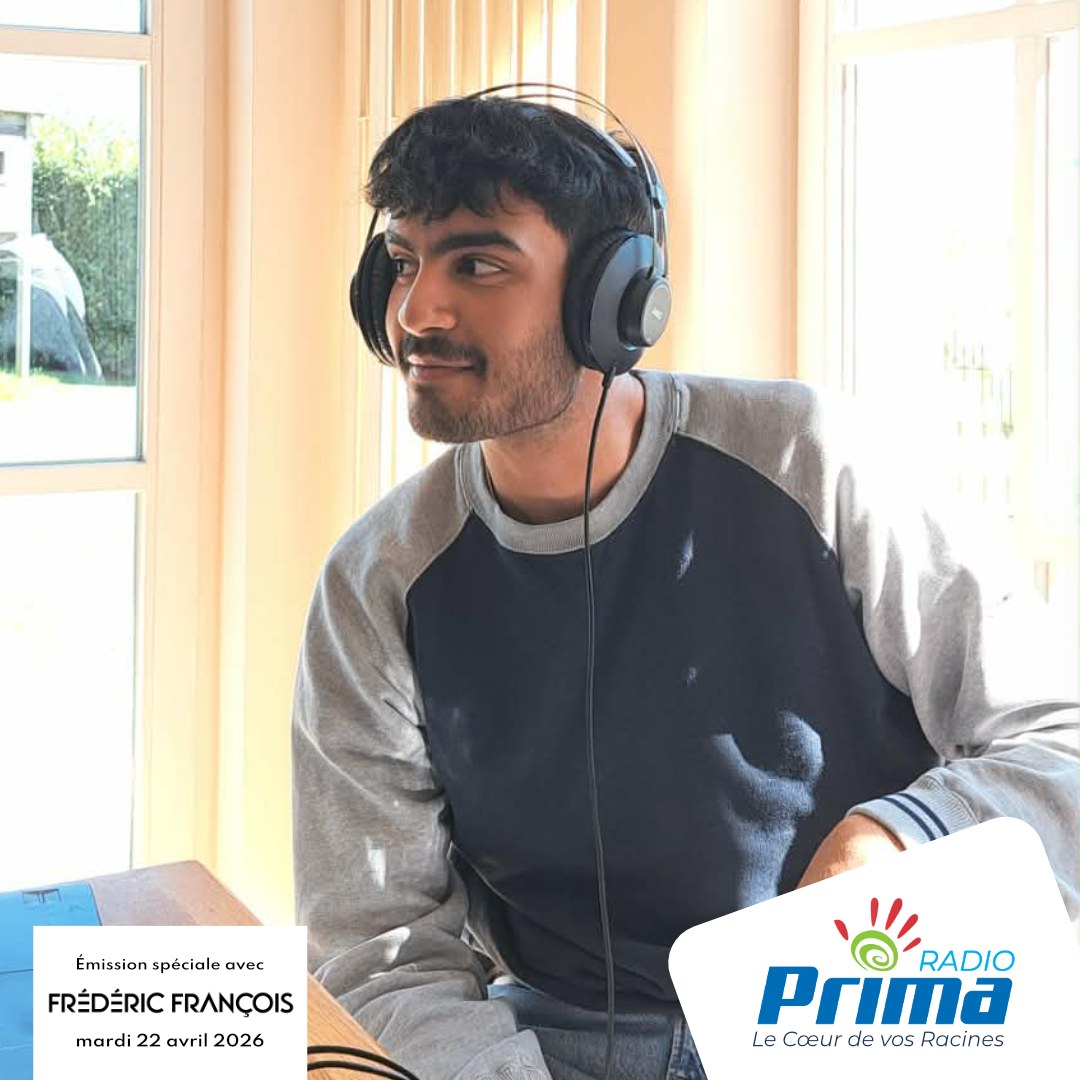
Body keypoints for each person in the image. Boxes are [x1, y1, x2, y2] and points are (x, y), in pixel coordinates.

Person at [292, 92, 1078, 1080]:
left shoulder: (809, 459)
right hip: (553, 1039)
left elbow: (1060, 743)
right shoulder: (378, 583)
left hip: (855, 1011)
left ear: (614, 296)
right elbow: (381, 949)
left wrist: (898, 834)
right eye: (403, 263)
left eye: (477, 264)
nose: (418, 312)